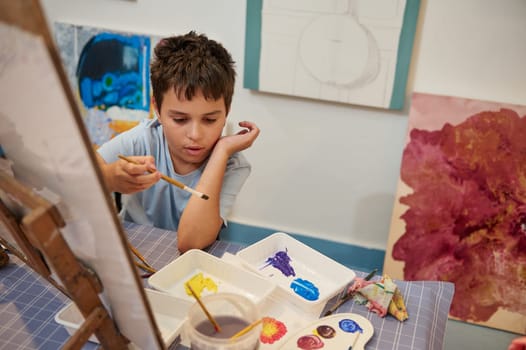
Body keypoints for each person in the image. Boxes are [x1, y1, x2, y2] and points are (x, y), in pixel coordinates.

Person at [96, 31, 259, 252]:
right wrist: (108, 178)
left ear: (226, 111)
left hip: (192, 262)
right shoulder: (144, 139)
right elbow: (80, 173)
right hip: (135, 251)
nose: (195, 134)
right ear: (157, 109)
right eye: (180, 119)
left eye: (210, 120)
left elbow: (190, 242)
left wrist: (221, 151)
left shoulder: (232, 164)